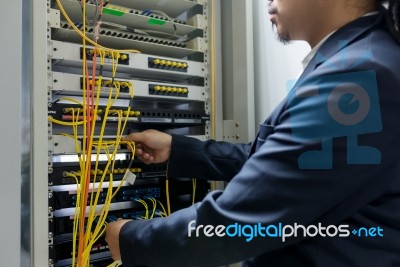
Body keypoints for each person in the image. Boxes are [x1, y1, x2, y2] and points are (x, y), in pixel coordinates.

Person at [105, 0, 400, 266]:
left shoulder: (357, 76)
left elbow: (242, 218)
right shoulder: (361, 59)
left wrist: (133, 240)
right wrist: (178, 149)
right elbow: (281, 165)